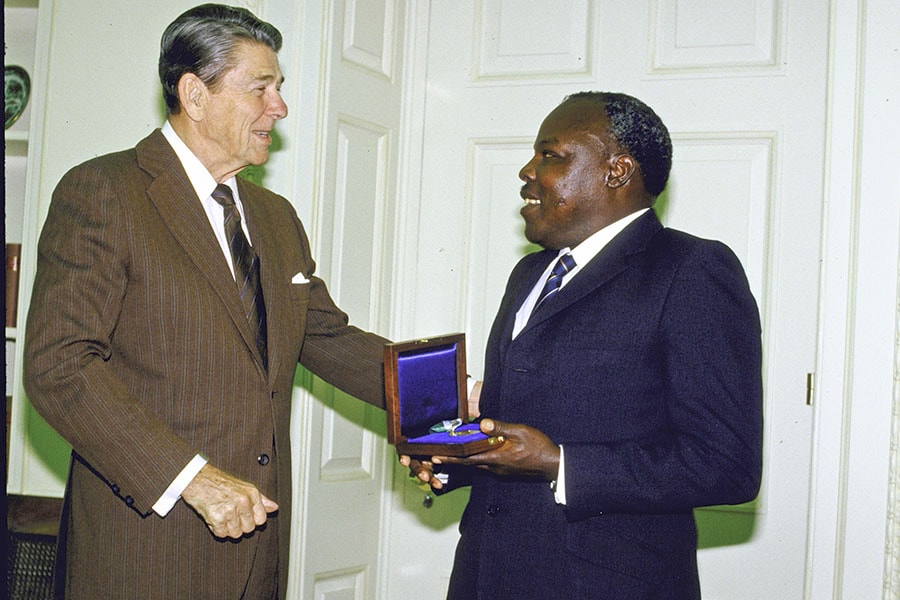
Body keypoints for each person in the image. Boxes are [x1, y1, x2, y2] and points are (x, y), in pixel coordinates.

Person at [23, 5, 387, 598]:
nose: (280, 107)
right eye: (260, 88)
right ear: (195, 94)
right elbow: (60, 367)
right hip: (147, 552)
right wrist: (192, 479)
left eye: (280, 88)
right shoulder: (104, 192)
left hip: (260, 548)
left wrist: (449, 389)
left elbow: (324, 337)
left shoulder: (275, 218)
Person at [404, 91, 763, 599]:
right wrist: (458, 459)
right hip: (487, 577)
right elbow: (523, 428)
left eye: (551, 155)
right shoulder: (530, 272)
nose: (527, 171)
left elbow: (726, 465)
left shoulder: (690, 271)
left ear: (616, 171)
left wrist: (559, 462)